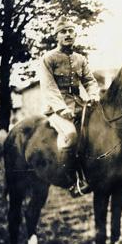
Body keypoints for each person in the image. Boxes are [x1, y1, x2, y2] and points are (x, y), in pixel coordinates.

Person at [39, 16, 100, 196]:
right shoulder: (48, 58)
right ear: (56, 36)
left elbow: (90, 81)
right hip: (56, 107)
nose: (67, 35)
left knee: (99, 129)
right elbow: (49, 87)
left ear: (75, 34)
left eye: (71, 31)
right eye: (63, 32)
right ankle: (71, 182)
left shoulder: (80, 59)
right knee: (71, 134)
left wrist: (94, 95)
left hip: (79, 104)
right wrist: (61, 109)